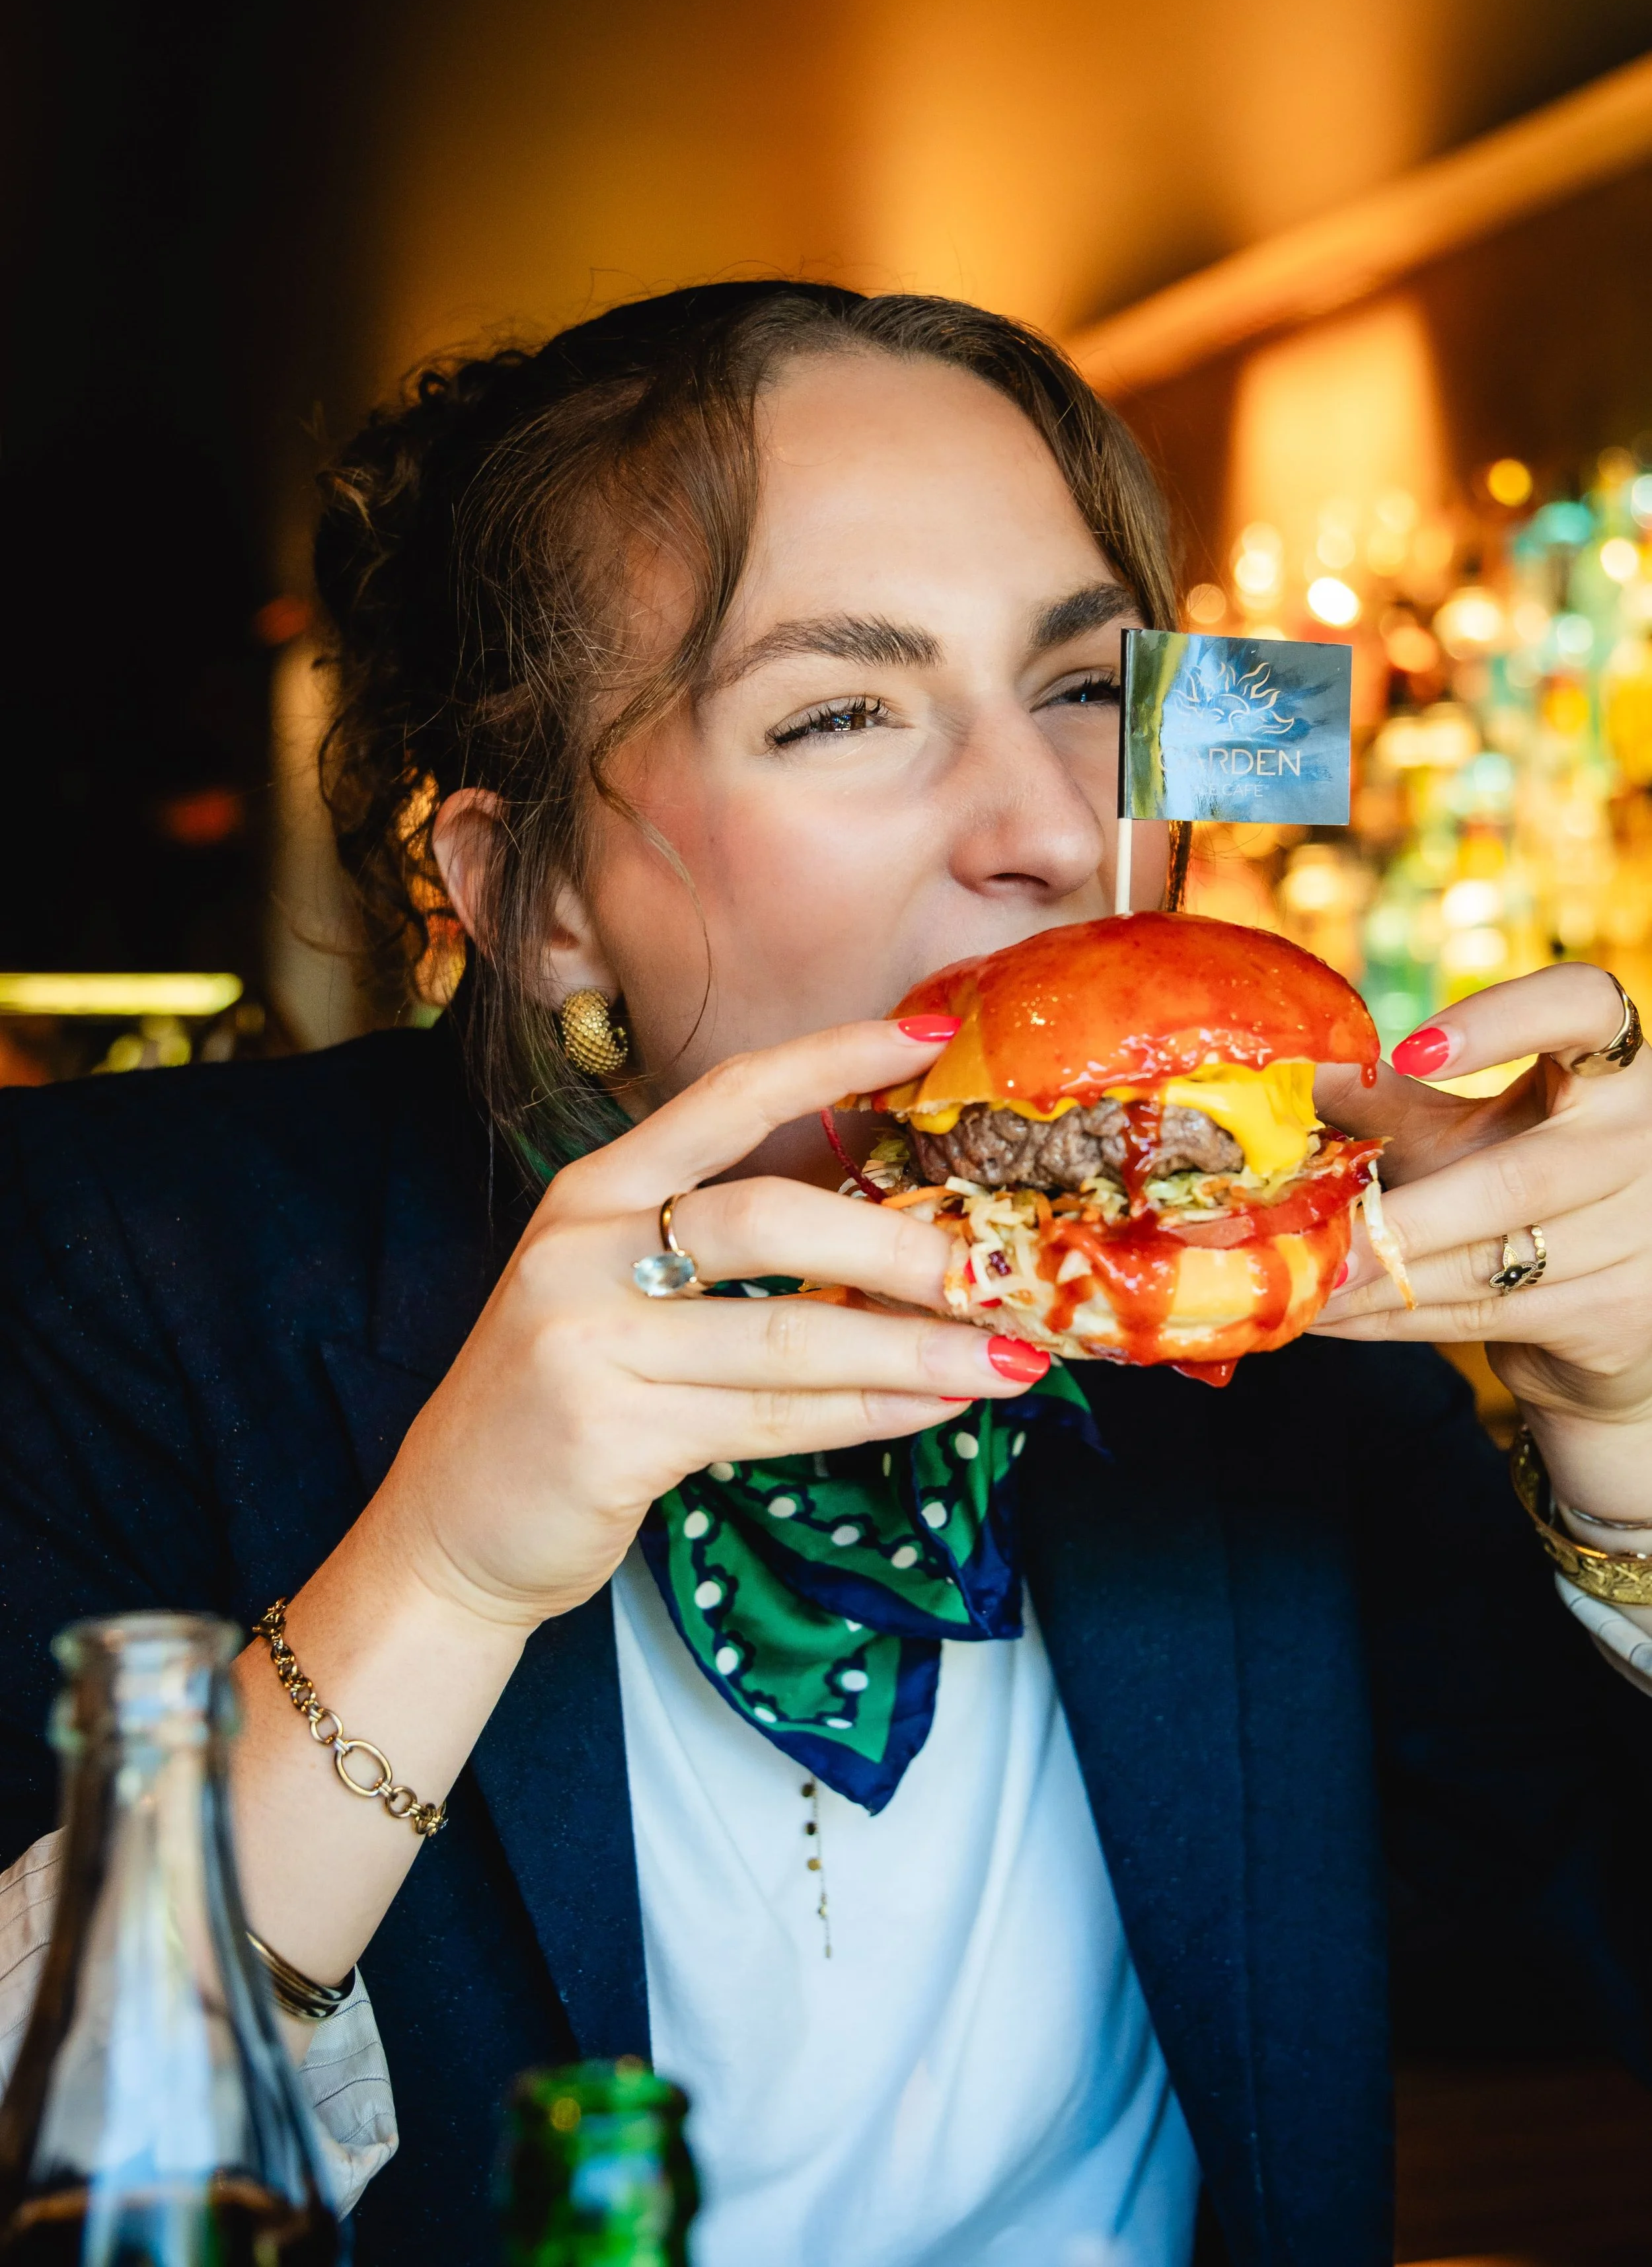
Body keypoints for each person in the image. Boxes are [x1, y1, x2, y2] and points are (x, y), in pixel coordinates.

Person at [3, 281, 1651, 2267]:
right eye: (841, 710)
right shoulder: (112, 1259)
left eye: (1084, 690)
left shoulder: (1274, 1325)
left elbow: (1573, 1970)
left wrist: (1628, 1430)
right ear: (529, 902)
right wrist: (435, 1579)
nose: (1051, 828)